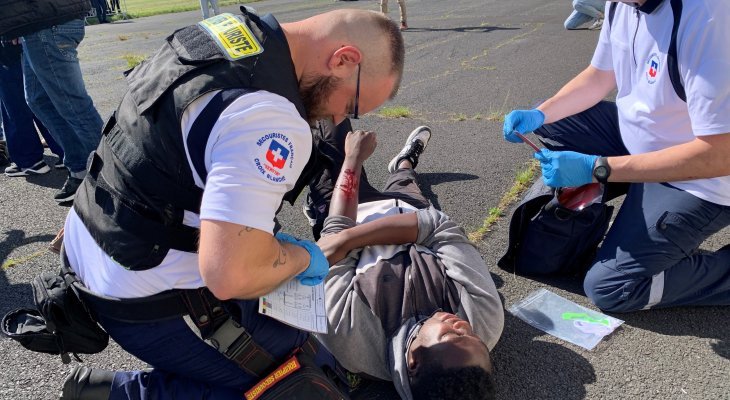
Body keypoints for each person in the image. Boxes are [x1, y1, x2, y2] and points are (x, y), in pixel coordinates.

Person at [59, 8, 405, 399]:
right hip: (139, 294)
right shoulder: (270, 116)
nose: (340, 117)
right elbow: (231, 275)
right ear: (343, 59)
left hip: (93, 238)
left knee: (308, 349)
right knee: (296, 383)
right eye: (352, 106)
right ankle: (117, 394)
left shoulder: (225, 32)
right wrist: (304, 257)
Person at [502, 0, 730, 312]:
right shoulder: (621, 4)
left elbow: (718, 155)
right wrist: (540, 114)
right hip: (641, 140)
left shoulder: (708, 20)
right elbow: (598, 75)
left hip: (699, 178)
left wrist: (598, 168)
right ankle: (619, 192)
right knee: (557, 121)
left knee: (613, 288)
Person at [307, 119, 503, 400]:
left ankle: (317, 201)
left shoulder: (348, 335)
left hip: (352, 209)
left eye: (452, 335)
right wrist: (348, 243)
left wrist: (353, 159)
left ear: (414, 363)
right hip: (412, 210)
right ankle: (404, 161)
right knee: (405, 181)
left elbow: (335, 234)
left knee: (332, 122)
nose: (463, 326)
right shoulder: (486, 321)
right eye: (477, 340)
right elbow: (440, 227)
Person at [18, 0, 104, 202]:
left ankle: (113, 177)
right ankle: (80, 167)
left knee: (74, 105)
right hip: (36, 23)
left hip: (49, 21)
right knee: (38, 100)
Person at [0, 38, 64, 176]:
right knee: (40, 99)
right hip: (25, 37)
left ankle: (29, 160)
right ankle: (66, 150)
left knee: (13, 105)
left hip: (7, 42)